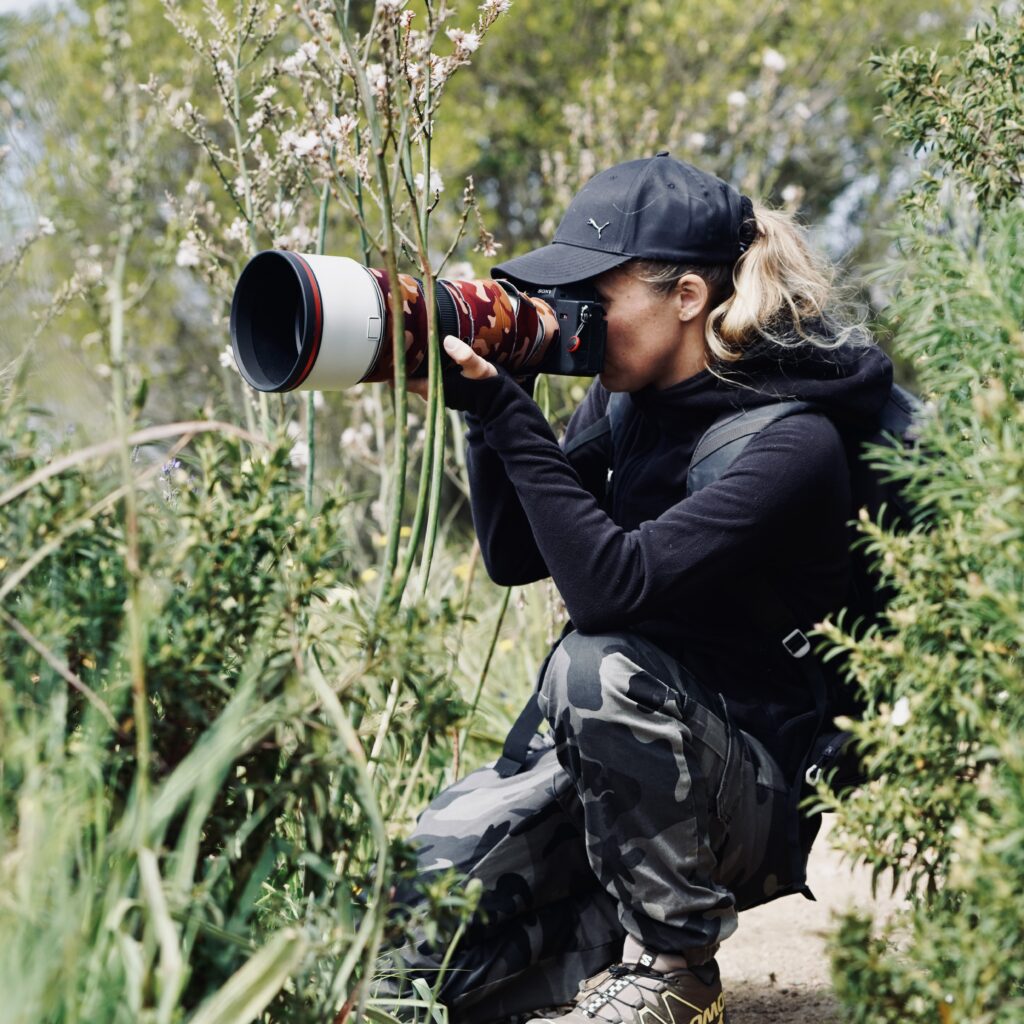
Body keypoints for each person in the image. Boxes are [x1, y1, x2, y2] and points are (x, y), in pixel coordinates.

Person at [390, 152, 893, 1024]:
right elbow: (515, 554)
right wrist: (489, 403)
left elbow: (608, 593)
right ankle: (581, 956)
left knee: (595, 664)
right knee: (414, 933)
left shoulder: (791, 442)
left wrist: (513, 416)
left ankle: (676, 972)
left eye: (595, 295)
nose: (572, 319)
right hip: (632, 770)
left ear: (688, 297)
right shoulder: (628, 401)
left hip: (756, 786)